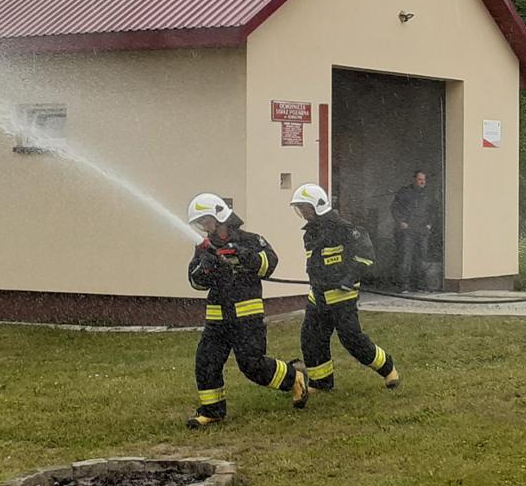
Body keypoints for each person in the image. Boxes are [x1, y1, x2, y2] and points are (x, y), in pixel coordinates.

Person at [184, 193, 306, 428]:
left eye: (207, 221)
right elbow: (195, 283)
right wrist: (203, 269)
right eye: (200, 224)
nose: (205, 228)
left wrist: (244, 255)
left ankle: (294, 378)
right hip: (217, 320)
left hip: (247, 318)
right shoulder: (204, 249)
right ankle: (212, 411)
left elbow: (270, 263)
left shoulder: (251, 240)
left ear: (220, 217)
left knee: (252, 366)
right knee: (206, 362)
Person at [290, 183, 400, 399]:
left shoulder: (345, 229)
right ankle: (322, 382)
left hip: (342, 296)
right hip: (318, 295)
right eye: (300, 208)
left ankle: (387, 368)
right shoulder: (310, 233)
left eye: (305, 207)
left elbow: (366, 256)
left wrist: (348, 278)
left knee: (352, 339)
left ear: (318, 206)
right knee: (312, 338)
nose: (303, 212)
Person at [390, 170, 437, 291]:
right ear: (414, 179)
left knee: (421, 259)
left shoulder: (428, 194)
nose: (422, 182)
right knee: (405, 258)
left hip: (422, 230)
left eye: (424, 180)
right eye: (420, 179)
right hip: (408, 230)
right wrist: (401, 222)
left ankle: (419, 285)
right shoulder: (404, 192)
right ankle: (403, 285)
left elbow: (433, 210)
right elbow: (394, 208)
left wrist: (429, 224)